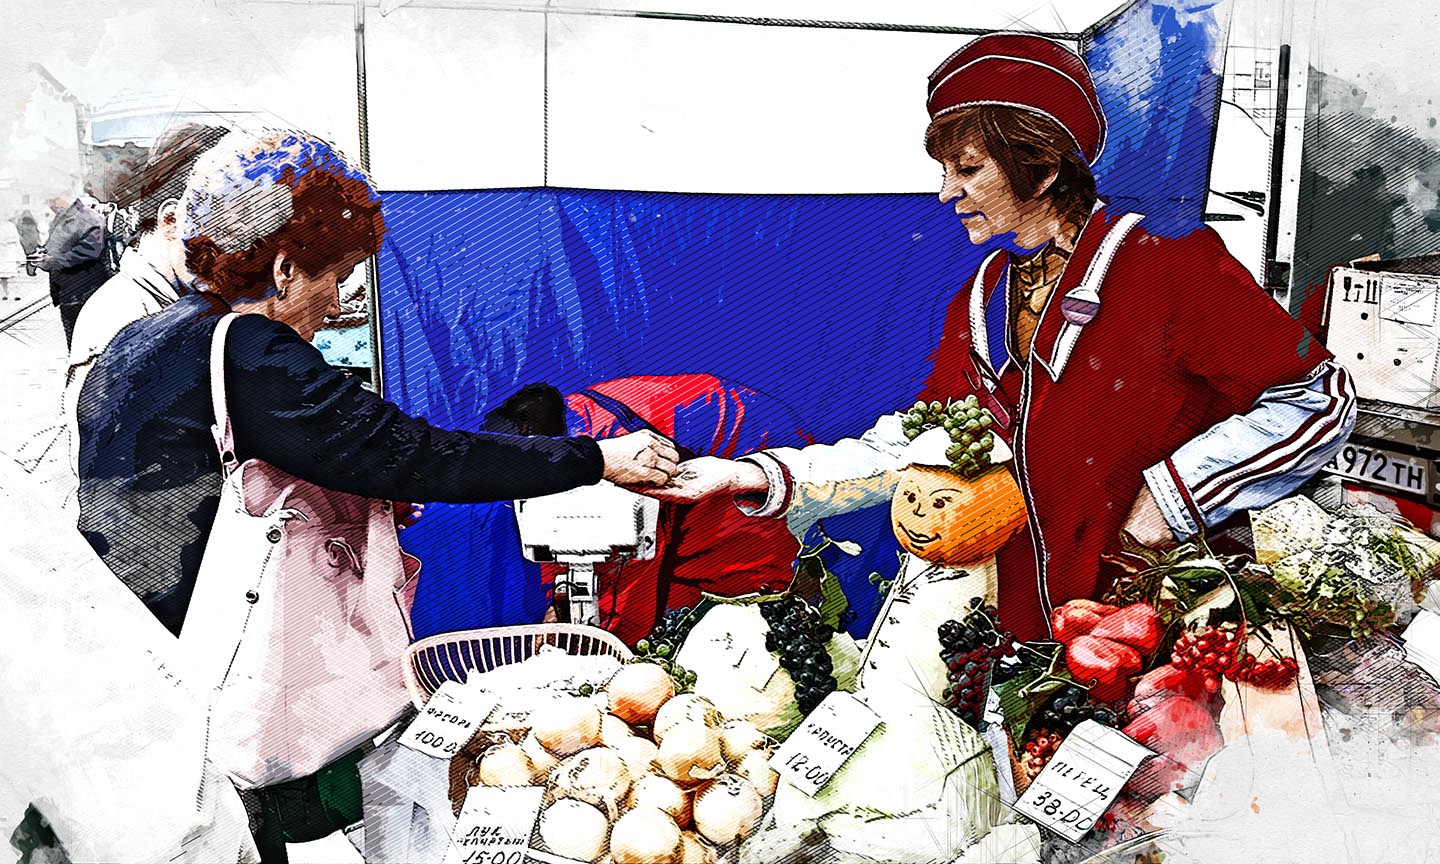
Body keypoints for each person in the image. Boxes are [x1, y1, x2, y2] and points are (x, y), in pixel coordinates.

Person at [74, 129, 678, 863]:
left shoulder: (143, 340)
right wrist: (597, 458)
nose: (337, 303)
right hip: (223, 669)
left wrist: (353, 498)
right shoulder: (251, 351)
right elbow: (418, 455)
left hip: (140, 654)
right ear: (285, 267)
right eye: (336, 275)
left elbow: (184, 486)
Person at [645, 33, 1357, 642]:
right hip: (1020, 633)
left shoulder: (1166, 262)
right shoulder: (984, 291)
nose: (945, 194)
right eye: (944, 172)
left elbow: (1319, 400)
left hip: (1152, 628)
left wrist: (1171, 498)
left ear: (1041, 169)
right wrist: (752, 475)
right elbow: (919, 443)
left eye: (967, 170)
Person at [472, 375, 812, 646]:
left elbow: (625, 565)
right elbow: (560, 533)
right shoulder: (544, 441)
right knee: (662, 602)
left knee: (738, 606)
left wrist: (594, 647)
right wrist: (560, 600)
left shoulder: (616, 457)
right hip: (694, 439)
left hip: (749, 454)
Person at [64, 123, 231, 473]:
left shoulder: (182, 299)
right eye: (226, 228)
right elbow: (111, 482)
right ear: (172, 221)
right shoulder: (121, 321)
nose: (240, 249)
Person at [28, 194, 111, 347]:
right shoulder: (61, 218)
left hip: (85, 288)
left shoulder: (89, 218)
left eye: (53, 199)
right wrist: (42, 255)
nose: (51, 205)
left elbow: (89, 251)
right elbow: (55, 246)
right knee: (74, 340)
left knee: (91, 340)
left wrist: (53, 261)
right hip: (67, 291)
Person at [0, 217, 22, 300]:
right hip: (1, 252)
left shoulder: (10, 226)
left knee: (13, 274)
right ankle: (6, 293)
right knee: (3, 275)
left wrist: (19, 254)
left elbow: (16, 239)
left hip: (10, 251)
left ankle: (16, 293)